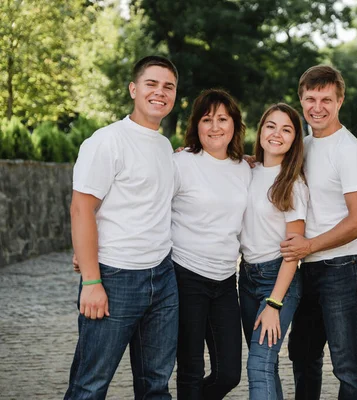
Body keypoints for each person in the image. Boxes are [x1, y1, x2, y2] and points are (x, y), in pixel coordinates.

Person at [65, 56, 179, 399]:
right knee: (90, 385)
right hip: (116, 277)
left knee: (156, 386)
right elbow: (81, 208)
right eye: (151, 84)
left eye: (168, 87)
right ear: (133, 89)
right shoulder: (107, 141)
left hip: (162, 276)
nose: (160, 92)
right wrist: (91, 279)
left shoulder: (163, 145)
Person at [281, 65, 357, 399]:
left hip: (343, 268)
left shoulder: (348, 149)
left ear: (340, 101)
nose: (317, 107)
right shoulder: (302, 146)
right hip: (308, 269)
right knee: (303, 356)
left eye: (326, 99)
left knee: (348, 366)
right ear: (301, 100)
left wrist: (309, 246)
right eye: (310, 99)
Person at [171, 89, 251, 399]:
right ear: (196, 125)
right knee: (190, 369)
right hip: (185, 275)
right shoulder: (180, 162)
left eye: (222, 119)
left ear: (234, 125)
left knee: (228, 373)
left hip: (225, 280)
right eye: (207, 119)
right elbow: (147, 206)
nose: (215, 127)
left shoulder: (244, 168)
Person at [239, 103, 308, 400]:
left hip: (278, 279)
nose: (277, 134)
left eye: (286, 129)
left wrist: (274, 303)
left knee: (258, 366)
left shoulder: (292, 183)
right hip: (247, 278)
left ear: (295, 140)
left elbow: (294, 251)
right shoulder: (246, 170)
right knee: (266, 365)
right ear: (260, 129)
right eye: (271, 126)